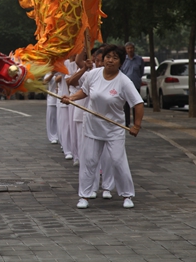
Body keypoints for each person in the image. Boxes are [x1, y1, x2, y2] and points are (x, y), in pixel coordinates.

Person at [61, 44, 143, 209]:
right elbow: (84, 92)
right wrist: (71, 98)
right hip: (92, 126)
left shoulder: (124, 81)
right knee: (89, 161)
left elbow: (138, 104)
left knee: (118, 161)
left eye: (115, 58)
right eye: (108, 56)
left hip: (114, 128)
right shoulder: (94, 74)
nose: (110, 60)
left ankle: (127, 195)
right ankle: (84, 195)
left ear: (120, 62)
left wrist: (137, 125)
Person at [120, 42, 143, 127]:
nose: (130, 50)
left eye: (131, 48)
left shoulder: (139, 59)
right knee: (126, 106)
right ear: (126, 50)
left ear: (134, 49)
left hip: (135, 84)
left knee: (136, 104)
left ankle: (136, 123)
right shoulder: (123, 60)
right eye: (128, 48)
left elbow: (141, 72)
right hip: (125, 86)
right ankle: (126, 122)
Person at [43, 71, 59, 144]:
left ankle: (60, 136)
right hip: (52, 98)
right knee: (52, 118)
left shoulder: (63, 71)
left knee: (60, 119)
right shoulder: (49, 72)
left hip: (62, 98)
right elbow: (44, 82)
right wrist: (52, 74)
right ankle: (53, 136)